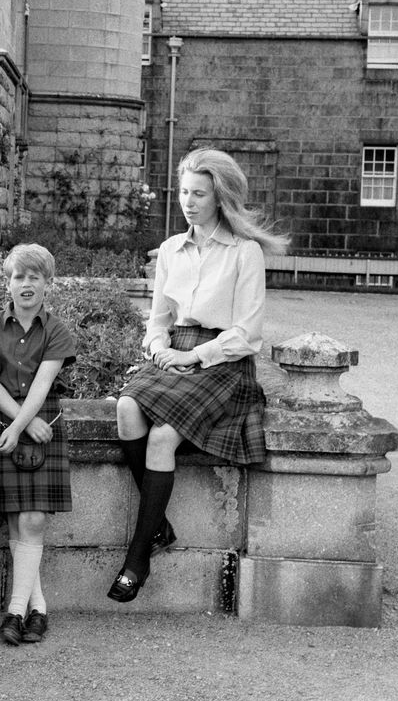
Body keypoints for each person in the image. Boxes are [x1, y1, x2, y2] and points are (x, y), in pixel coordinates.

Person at [108, 148, 289, 603]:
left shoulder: (245, 253)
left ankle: (138, 557)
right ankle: (158, 527)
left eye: (199, 194)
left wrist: (195, 357)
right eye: (185, 192)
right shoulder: (171, 249)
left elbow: (248, 334)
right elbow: (157, 320)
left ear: (219, 197)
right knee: (127, 408)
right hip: (175, 353)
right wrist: (160, 347)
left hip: (222, 362)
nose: (188, 201)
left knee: (162, 437)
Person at [0, 243, 76, 646]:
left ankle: (14, 612)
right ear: (8, 283)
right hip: (6, 419)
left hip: (41, 417)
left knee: (32, 520)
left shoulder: (56, 330)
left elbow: (45, 383)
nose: (26, 284)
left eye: (34, 277)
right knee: (16, 519)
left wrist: (23, 425)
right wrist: (17, 425)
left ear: (47, 283)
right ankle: (38, 611)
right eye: (18, 276)